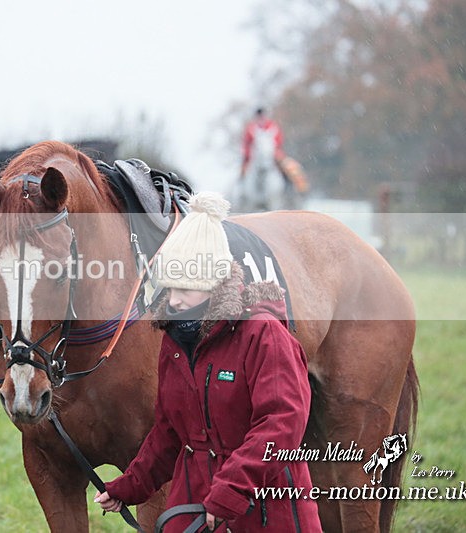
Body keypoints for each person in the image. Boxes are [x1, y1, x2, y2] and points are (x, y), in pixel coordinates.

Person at [94, 192, 322, 532]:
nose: (174, 301)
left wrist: (230, 492)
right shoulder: (174, 340)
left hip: (266, 507)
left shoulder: (264, 335)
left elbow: (282, 425)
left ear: (215, 283)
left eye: (186, 288)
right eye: (169, 288)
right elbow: (170, 431)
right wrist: (130, 486)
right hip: (195, 501)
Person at [238, 107, 287, 212]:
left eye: (262, 115)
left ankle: (290, 187)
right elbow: (246, 143)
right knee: (243, 170)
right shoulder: (251, 128)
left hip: (273, 155)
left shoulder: (273, 127)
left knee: (288, 167)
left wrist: (275, 151)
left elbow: (279, 141)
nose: (261, 118)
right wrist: (247, 154)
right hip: (254, 156)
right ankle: (241, 189)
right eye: (259, 116)